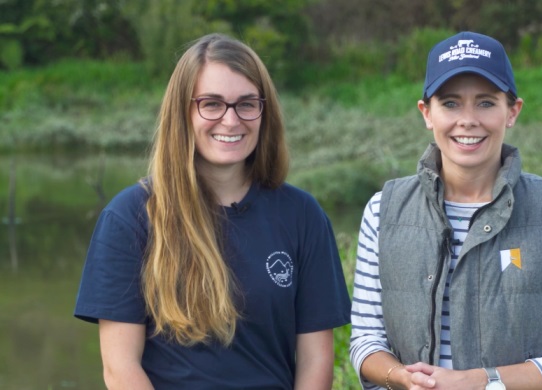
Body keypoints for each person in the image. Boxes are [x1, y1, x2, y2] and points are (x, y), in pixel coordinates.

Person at [74, 33, 351, 390]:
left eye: (247, 104)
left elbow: (316, 360)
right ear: (182, 111)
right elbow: (120, 369)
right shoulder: (130, 217)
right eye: (212, 103)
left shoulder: (303, 216)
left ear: (264, 111)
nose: (231, 120)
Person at [349, 31, 542, 390]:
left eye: (485, 103)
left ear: (512, 111)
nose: (468, 120)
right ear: (426, 113)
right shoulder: (382, 212)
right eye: (450, 103)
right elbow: (365, 342)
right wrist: (401, 377)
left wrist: (476, 382)